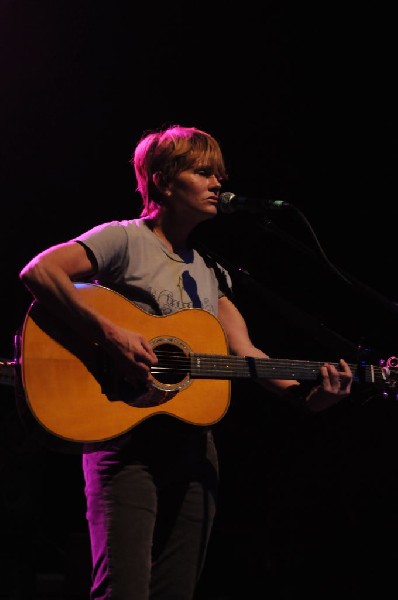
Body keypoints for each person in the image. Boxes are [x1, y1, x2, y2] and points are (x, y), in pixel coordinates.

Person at [19, 124, 353, 600]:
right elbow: (39, 271)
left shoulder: (212, 273)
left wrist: (313, 397)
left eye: (219, 175)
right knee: (124, 590)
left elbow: (250, 356)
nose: (219, 184)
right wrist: (111, 334)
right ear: (162, 180)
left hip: (194, 448)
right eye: (203, 172)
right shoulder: (123, 240)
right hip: (123, 438)